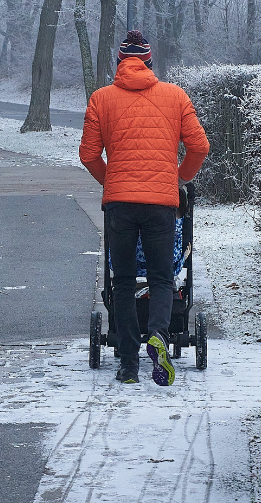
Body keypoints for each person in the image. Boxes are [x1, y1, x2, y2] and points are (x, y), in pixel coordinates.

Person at [78, 31, 209, 386]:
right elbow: (199, 146)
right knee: (162, 277)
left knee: (121, 282)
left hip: (120, 204)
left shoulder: (101, 99)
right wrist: (176, 179)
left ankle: (128, 364)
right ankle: (159, 336)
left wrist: (112, 182)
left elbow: (88, 154)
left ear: (119, 63)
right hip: (161, 205)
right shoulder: (175, 96)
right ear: (150, 63)